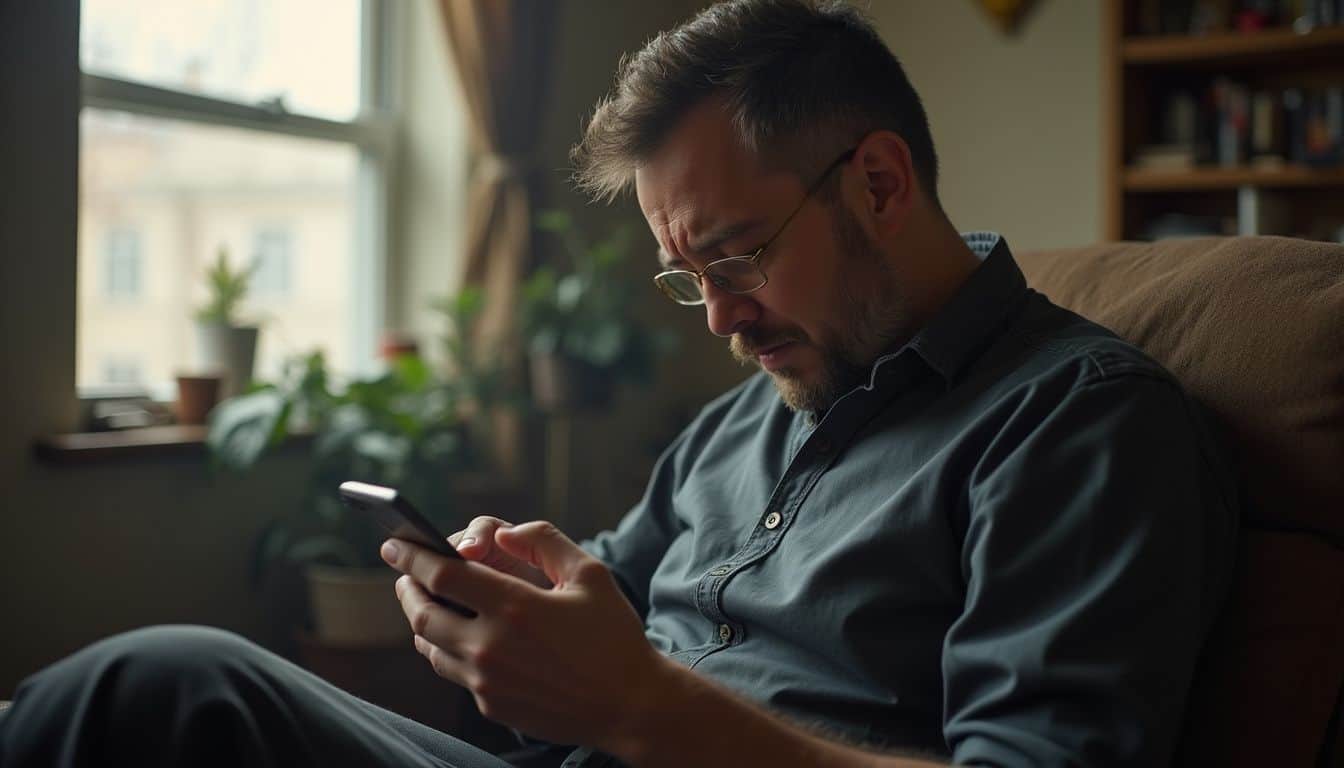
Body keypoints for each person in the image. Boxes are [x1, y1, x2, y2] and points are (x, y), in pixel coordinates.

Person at [0, 1, 1237, 766]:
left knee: (159, 685)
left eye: (737, 254)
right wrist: (514, 607)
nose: (719, 316)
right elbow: (610, 599)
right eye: (683, 275)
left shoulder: (1076, 422)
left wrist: (644, 710)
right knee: (164, 695)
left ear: (879, 181)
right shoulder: (752, 412)